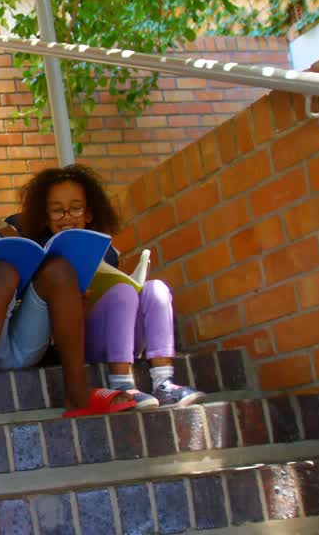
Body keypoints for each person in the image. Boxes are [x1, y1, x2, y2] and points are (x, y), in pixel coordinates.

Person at [0, 146, 135, 425]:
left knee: (59, 268)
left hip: (22, 343)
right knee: (3, 271)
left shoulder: (10, 233)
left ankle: (77, 392)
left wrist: (69, 299)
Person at [16, 164, 203, 408]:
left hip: (120, 334)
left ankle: (164, 383)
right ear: (45, 216)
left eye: (75, 208)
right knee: (123, 292)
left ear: (89, 213)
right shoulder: (44, 256)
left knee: (156, 289)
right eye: (57, 211)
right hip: (81, 342)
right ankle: (122, 384)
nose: (67, 216)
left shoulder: (106, 250)